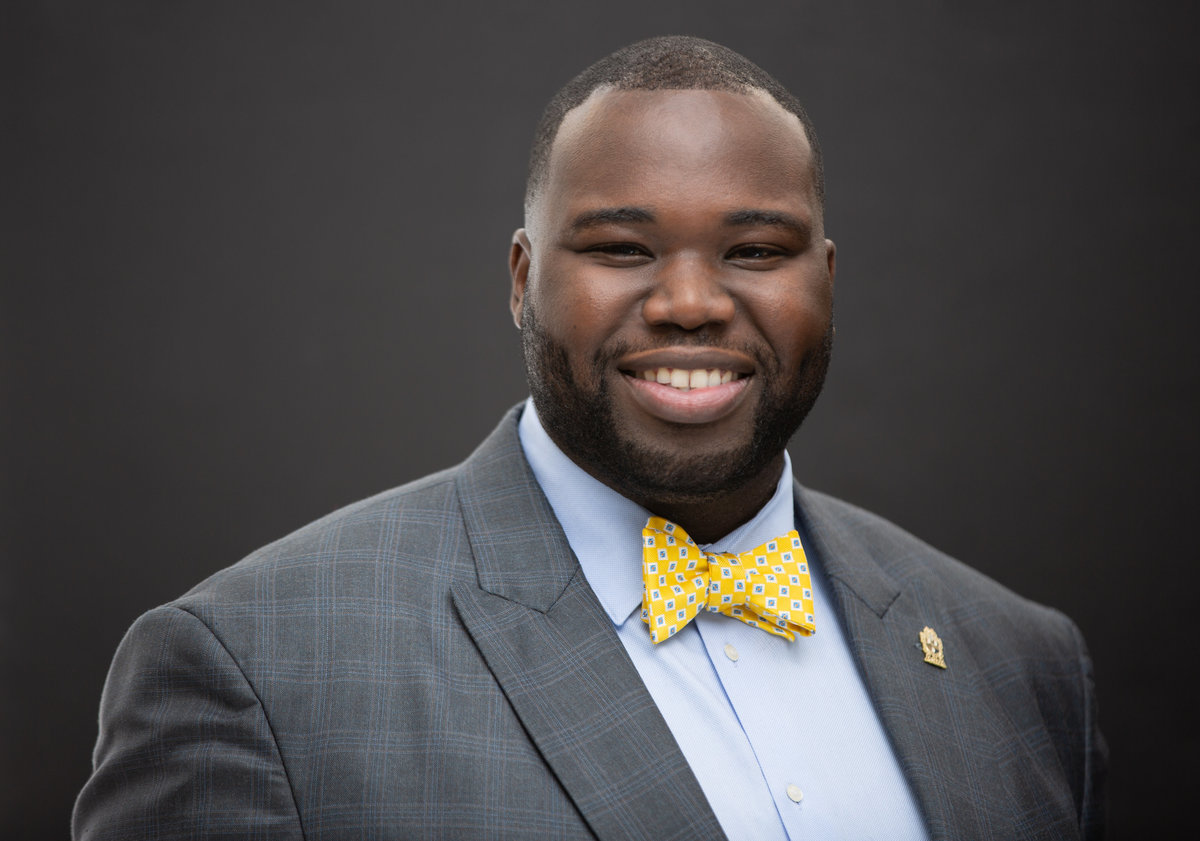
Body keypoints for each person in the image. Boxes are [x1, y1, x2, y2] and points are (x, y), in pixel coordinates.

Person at [74, 36, 1107, 840]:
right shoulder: (255, 672)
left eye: (754, 248)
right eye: (621, 247)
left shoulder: (1019, 663)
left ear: (826, 283)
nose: (692, 303)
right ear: (522, 279)